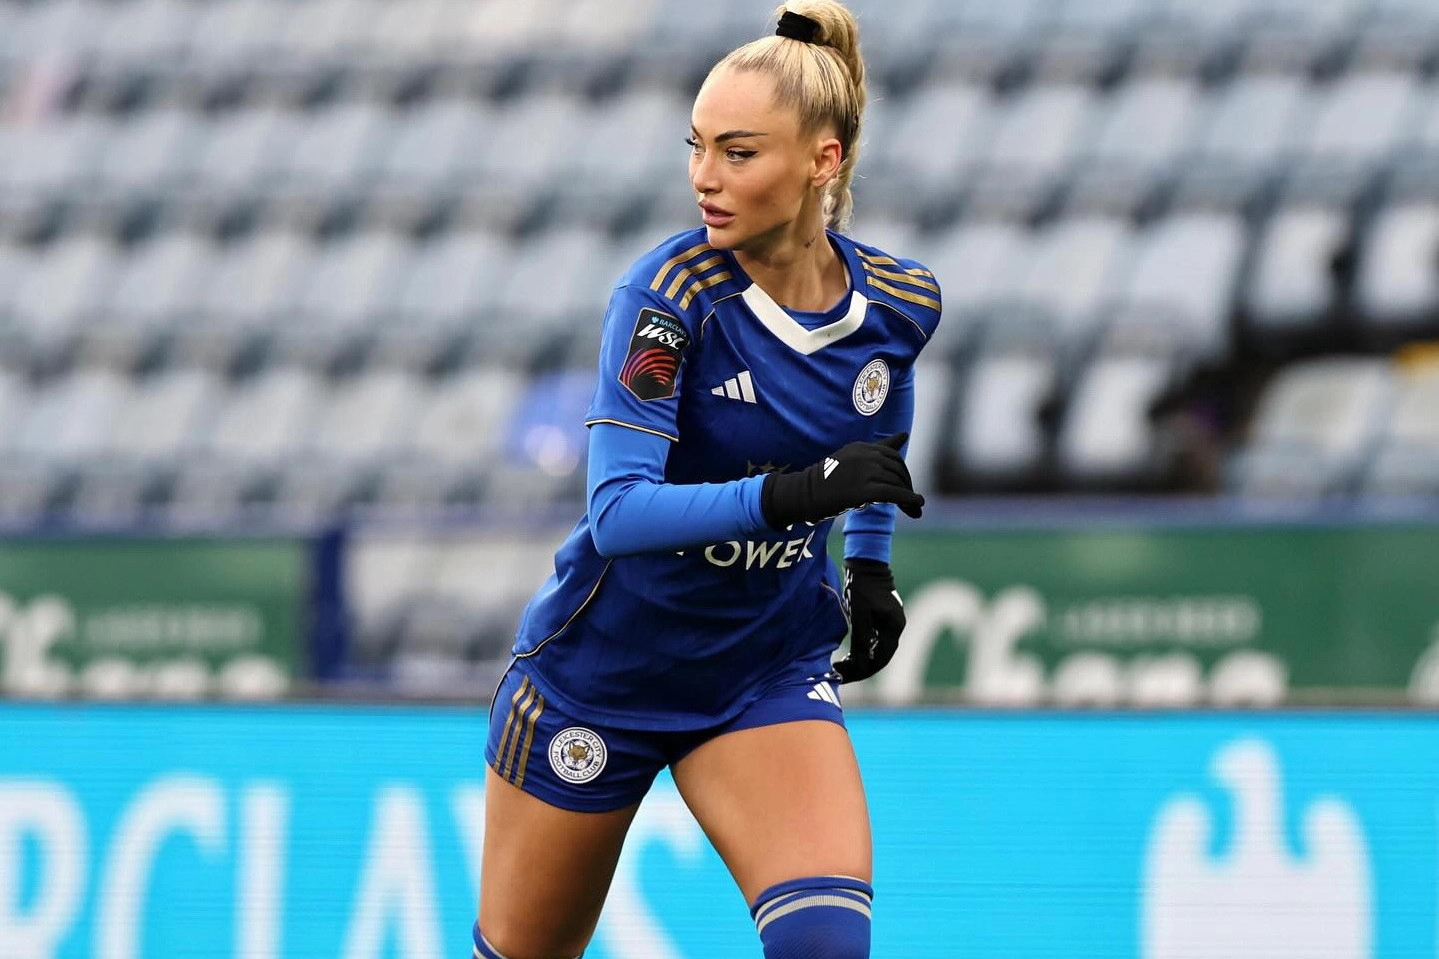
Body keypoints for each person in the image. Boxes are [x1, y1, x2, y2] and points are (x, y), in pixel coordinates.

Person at [474, 3, 941, 957]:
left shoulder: (900, 302)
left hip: (761, 671)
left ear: (821, 160)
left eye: (737, 152)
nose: (703, 177)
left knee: (825, 947)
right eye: (696, 146)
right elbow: (616, 513)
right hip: (602, 677)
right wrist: (797, 493)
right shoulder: (666, 298)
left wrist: (868, 565)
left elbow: (880, 410)